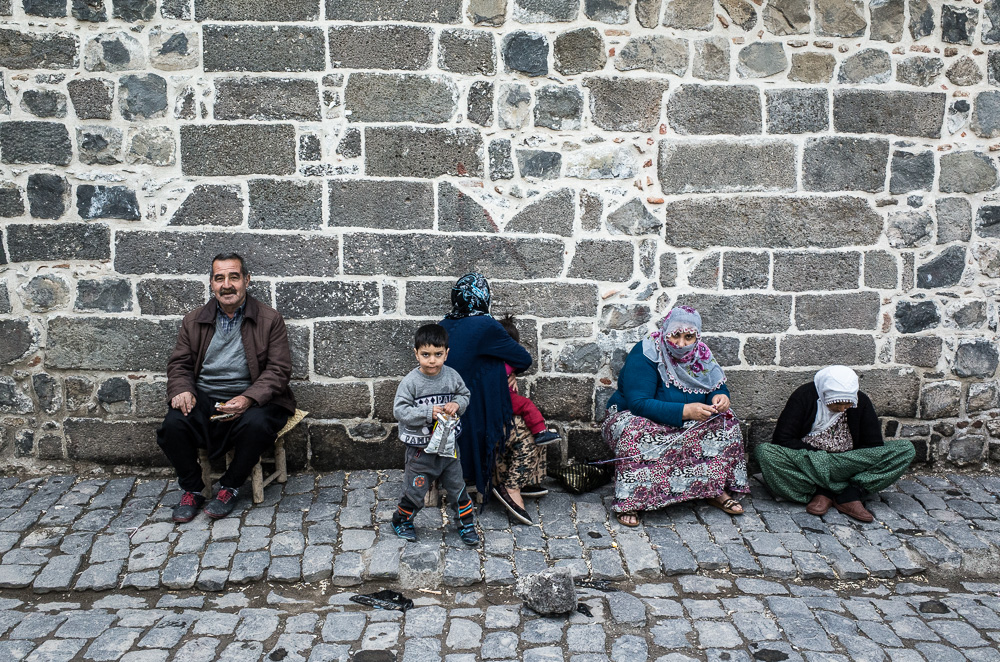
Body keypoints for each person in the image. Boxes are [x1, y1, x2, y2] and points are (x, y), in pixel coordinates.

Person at [157, 253, 295, 522]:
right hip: (206, 398)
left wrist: (248, 398)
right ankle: (193, 489)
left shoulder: (269, 319)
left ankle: (230, 486)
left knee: (257, 426)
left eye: (234, 277)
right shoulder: (194, 320)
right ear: (212, 284)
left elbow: (278, 370)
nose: (227, 285)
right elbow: (179, 364)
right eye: (219, 278)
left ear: (246, 280)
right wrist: (181, 389)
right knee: (172, 425)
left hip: (254, 398)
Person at [602, 306, 748, 527]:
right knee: (637, 432)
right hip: (638, 416)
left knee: (726, 422)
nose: (681, 344)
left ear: (697, 336)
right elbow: (638, 403)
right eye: (675, 336)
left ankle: (714, 489)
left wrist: (721, 398)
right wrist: (685, 411)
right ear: (665, 331)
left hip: (688, 418)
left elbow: (716, 387)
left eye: (689, 337)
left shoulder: (702, 355)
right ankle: (630, 500)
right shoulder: (647, 353)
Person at [439, 273, 546, 525]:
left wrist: (496, 370)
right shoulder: (486, 326)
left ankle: (521, 478)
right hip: (475, 417)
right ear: (483, 297)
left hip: (448, 413)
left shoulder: (443, 324)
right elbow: (523, 359)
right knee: (528, 433)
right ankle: (511, 487)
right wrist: (506, 373)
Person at [755, 365, 916, 523]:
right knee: (764, 452)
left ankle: (852, 491)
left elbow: (872, 445)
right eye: (837, 404)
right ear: (825, 395)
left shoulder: (861, 402)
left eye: (847, 404)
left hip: (848, 461)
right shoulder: (803, 397)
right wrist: (820, 459)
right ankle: (824, 492)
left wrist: (847, 463)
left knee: (905, 450)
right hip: (810, 459)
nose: (842, 408)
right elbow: (782, 439)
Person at [391, 324, 478, 546]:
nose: (432, 361)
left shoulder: (452, 377)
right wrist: (426, 412)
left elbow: (465, 395)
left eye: (438, 355)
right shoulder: (411, 382)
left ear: (446, 353)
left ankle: (466, 523)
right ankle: (402, 520)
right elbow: (400, 411)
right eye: (426, 355)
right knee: (415, 490)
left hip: (449, 449)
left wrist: (457, 404)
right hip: (420, 451)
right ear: (416, 353)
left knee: (457, 488)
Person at [498, 315, 560, 447]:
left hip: (505, 397)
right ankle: (540, 432)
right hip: (502, 399)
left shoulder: (508, 363)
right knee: (526, 405)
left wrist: (514, 373)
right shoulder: (501, 364)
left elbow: (522, 362)